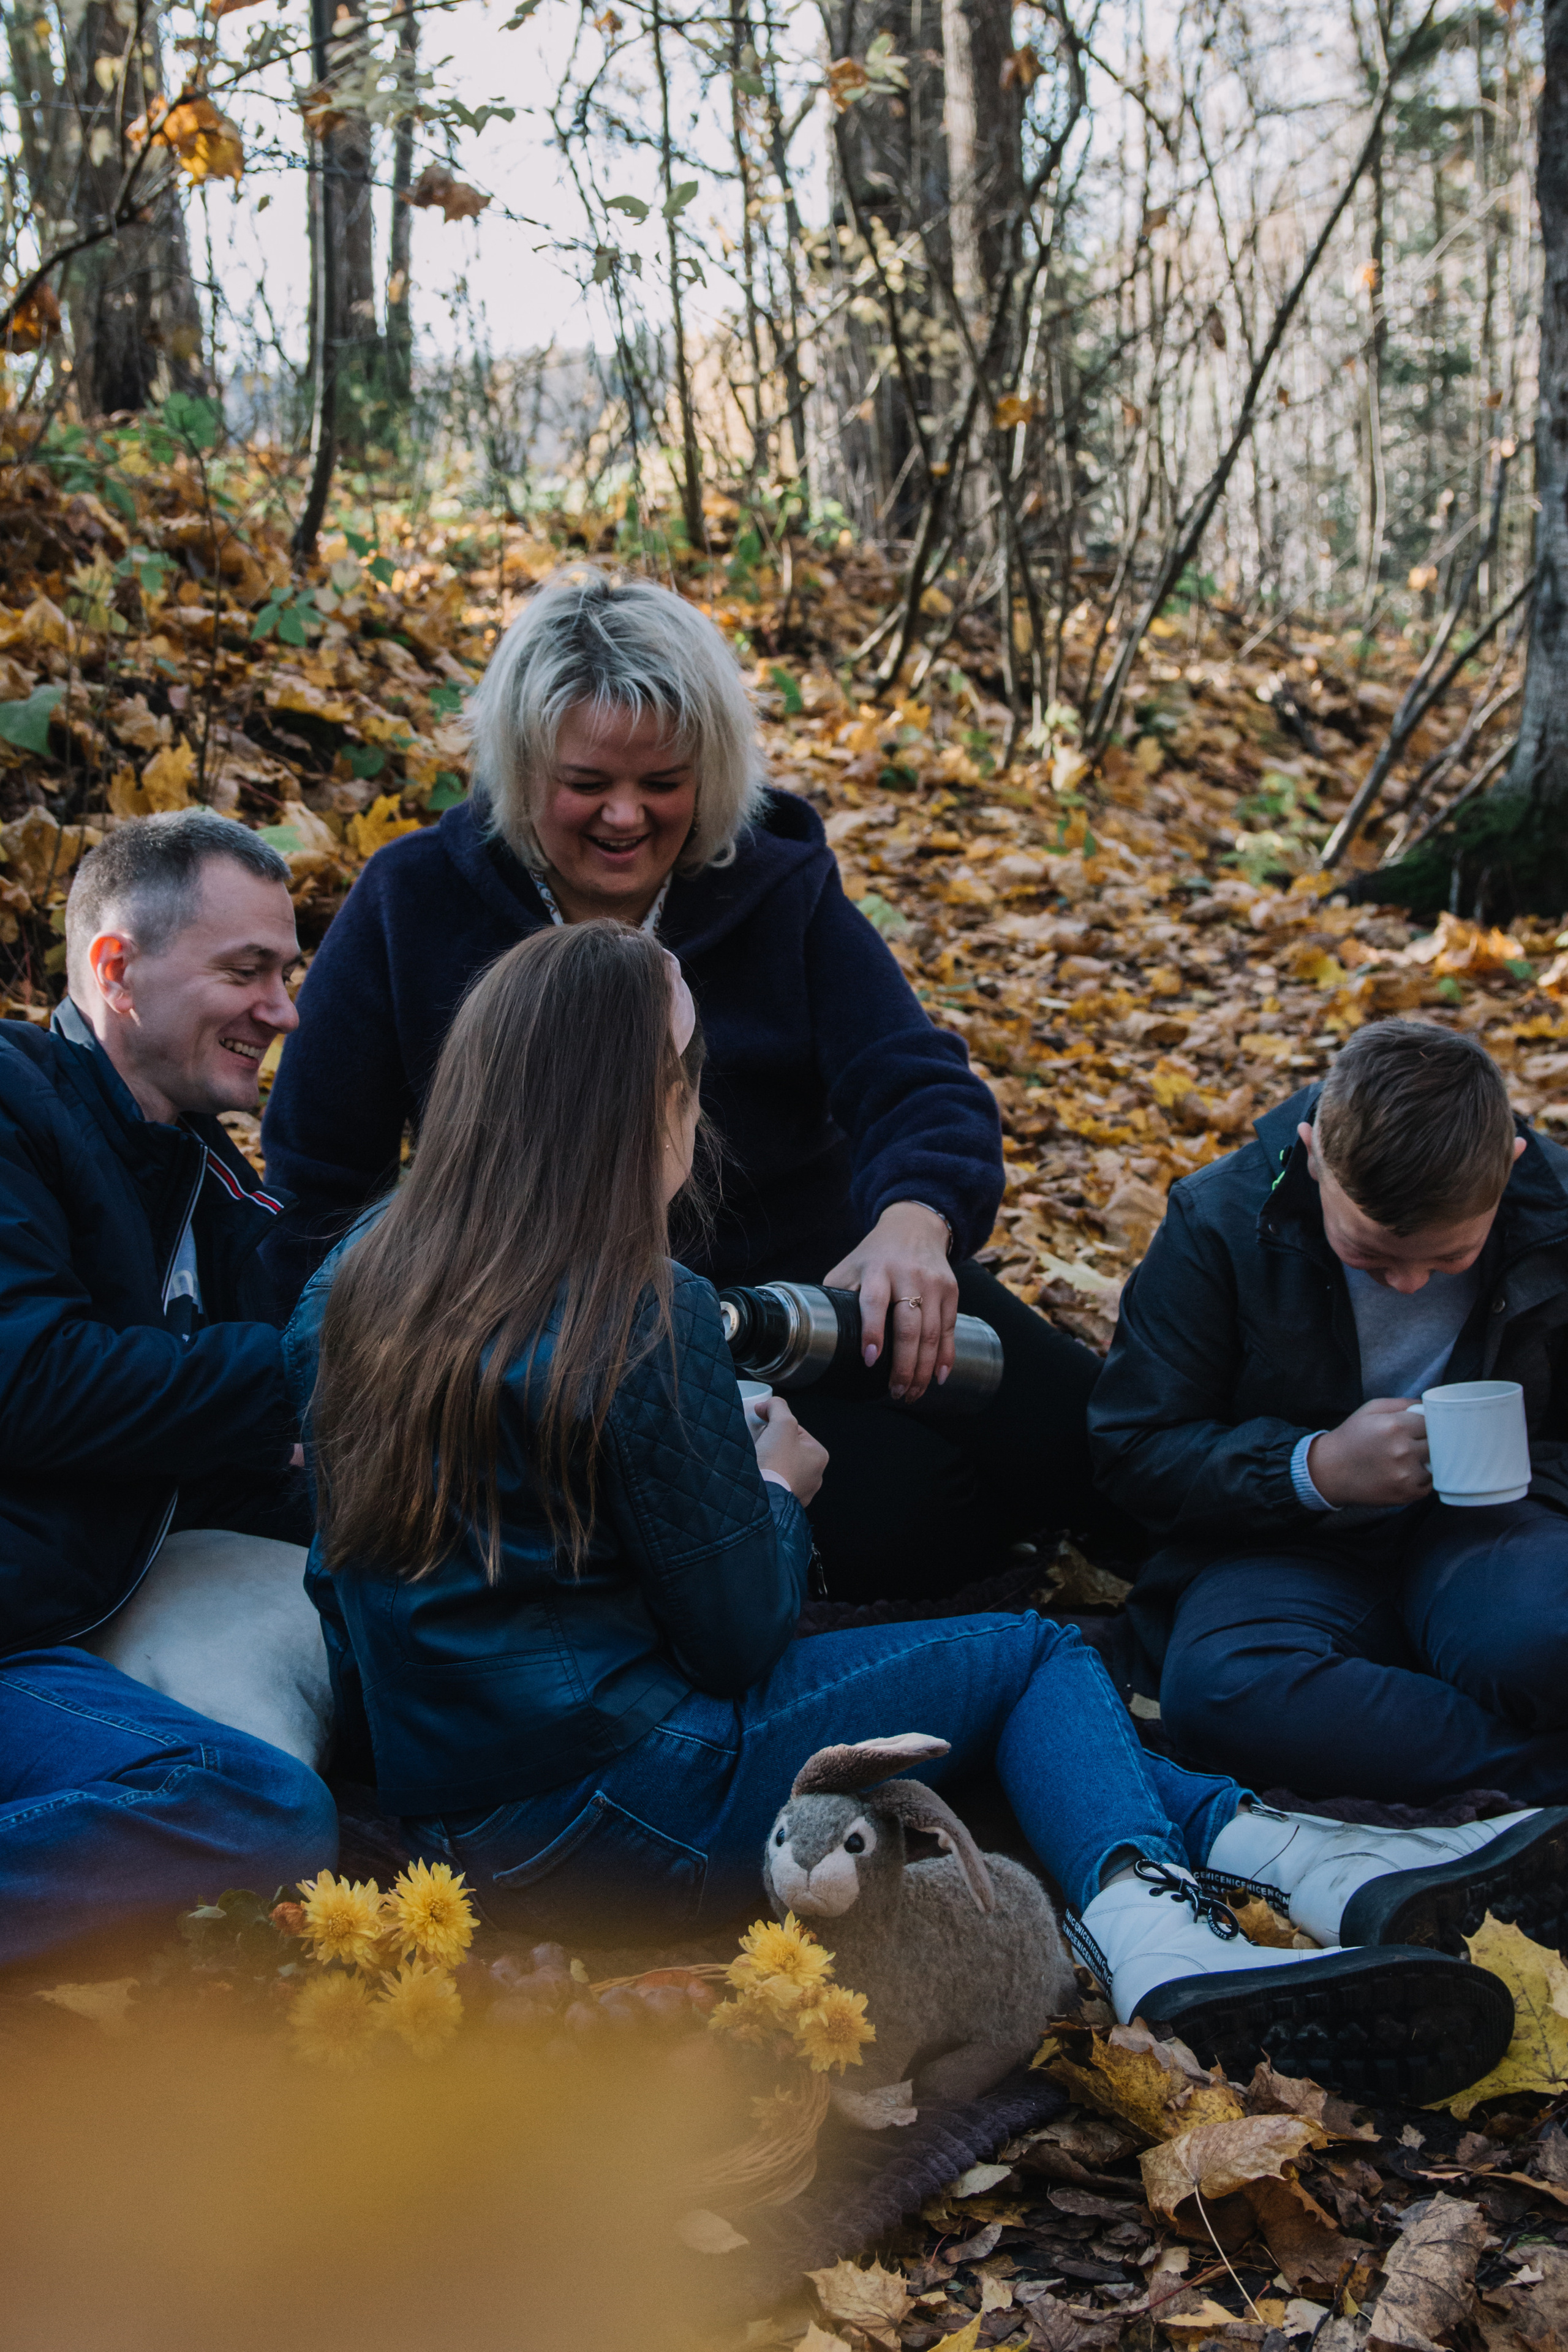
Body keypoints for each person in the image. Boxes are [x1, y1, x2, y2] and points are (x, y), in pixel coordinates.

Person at [286, 922, 1550, 2098]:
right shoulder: (639, 1304)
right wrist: (778, 1496)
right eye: (687, 1077)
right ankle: (1157, 1936)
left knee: (1000, 1728)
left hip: (462, 1821)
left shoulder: (351, 1280)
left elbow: (351, 1586)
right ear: (643, 1107)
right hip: (629, 1797)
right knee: (1031, 1656)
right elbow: (736, 1640)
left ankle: (1304, 1859)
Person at [262, 566, 1125, 1602]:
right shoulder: (412, 902)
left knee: (1086, 1435)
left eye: (663, 781)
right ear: (519, 767)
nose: (626, 817)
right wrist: (325, 1392)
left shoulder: (773, 888)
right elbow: (317, 1175)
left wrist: (915, 1218)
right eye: (588, 783)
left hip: (829, 1280)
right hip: (600, 1352)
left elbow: (911, 1075)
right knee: (913, 1517)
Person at [0, 809, 337, 1969]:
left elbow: (258, 1454)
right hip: (15, 1638)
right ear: (116, 970)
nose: (282, 1009)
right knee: (255, 1812)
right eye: (247, 971)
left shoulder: (216, 1185)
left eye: (286, 975)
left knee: (276, 1808)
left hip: (52, 1639)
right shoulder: (6, 1102)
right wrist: (312, 1375)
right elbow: (26, 1381)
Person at [1090, 1017, 1568, 1836]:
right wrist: (1311, 1469)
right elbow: (1134, 1447)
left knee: (1545, 1639)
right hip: (1284, 1547)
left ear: (1510, 1167)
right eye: (1372, 1255)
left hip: (1496, 1532)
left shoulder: (1554, 1214)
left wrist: (1522, 1471)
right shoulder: (1219, 1222)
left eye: (1450, 1259)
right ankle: (1539, 1779)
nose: (1412, 1284)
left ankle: (1429, 1722)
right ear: (1314, 1154)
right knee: (1222, 1692)